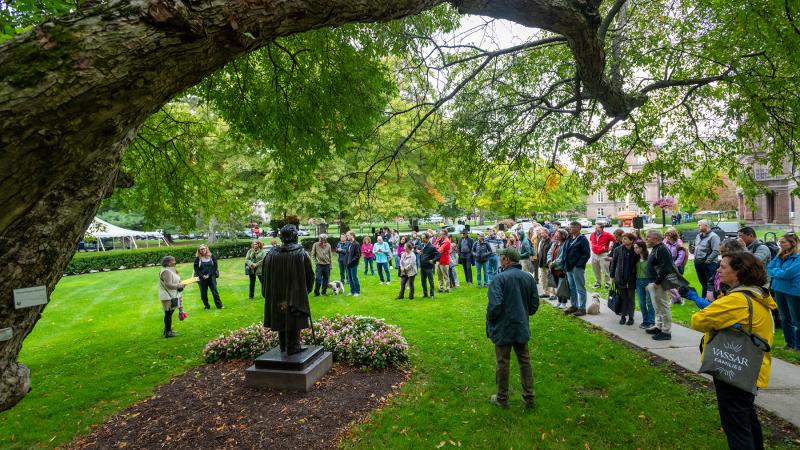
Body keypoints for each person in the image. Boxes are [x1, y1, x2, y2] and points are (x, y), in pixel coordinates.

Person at [688, 252, 776, 450]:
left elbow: (698, 320)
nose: (718, 269)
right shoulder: (756, 293)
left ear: (739, 272)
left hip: (735, 369)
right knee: (746, 418)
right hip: (752, 367)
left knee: (736, 425)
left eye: (723, 267)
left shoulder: (737, 300)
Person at [486, 247, 540, 409]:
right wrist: (523, 313)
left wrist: (492, 321)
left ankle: (502, 399)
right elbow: (534, 304)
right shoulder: (528, 278)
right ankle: (529, 397)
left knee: (503, 362)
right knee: (525, 361)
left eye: (501, 257)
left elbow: (494, 306)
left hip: (503, 327)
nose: (500, 260)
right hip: (520, 325)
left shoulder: (499, 279)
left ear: (507, 260)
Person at [261, 225, 314, 355]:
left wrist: (267, 291)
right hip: (295, 293)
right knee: (293, 315)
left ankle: (283, 345)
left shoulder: (271, 254)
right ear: (295, 236)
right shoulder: (301, 253)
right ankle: (293, 346)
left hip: (276, 293)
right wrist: (305, 290)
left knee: (281, 314)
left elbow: (264, 275)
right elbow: (309, 276)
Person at [767, 233, 800, 351]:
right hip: (779, 289)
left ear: (792, 243)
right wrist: (780, 272)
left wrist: (778, 273)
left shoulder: (798, 257)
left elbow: (788, 274)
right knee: (785, 318)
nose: (780, 244)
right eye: (780, 242)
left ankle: (798, 346)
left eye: (783, 242)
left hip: (793, 291)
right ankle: (790, 344)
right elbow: (769, 268)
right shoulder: (780, 255)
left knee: (796, 319)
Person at [644, 230, 673, 340]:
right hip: (653, 282)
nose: (646, 239)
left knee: (663, 306)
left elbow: (666, 268)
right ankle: (659, 326)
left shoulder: (662, 249)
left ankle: (666, 331)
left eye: (648, 237)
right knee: (657, 306)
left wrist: (657, 282)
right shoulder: (656, 249)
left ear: (656, 238)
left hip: (658, 283)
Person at [562, 222, 590, 316]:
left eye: (572, 227)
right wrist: (564, 265)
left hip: (577, 268)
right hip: (569, 267)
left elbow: (586, 254)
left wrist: (578, 265)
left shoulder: (582, 239)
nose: (569, 228)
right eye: (569, 227)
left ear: (578, 228)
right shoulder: (569, 239)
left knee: (580, 288)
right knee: (572, 287)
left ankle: (582, 308)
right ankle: (574, 306)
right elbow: (565, 253)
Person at [609, 233, 637, 325]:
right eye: (623, 239)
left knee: (631, 298)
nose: (623, 240)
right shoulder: (618, 249)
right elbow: (614, 263)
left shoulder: (635, 249)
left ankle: (631, 317)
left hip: (631, 278)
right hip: (621, 278)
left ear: (631, 240)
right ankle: (623, 316)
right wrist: (612, 275)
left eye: (625, 239)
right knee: (623, 297)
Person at [158, 256, 184, 338]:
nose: (175, 262)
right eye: (174, 261)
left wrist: (181, 284)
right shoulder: (166, 272)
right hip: (167, 296)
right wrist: (179, 285)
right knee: (168, 314)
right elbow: (168, 285)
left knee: (170, 313)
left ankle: (167, 330)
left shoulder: (170, 270)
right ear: (168, 262)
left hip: (171, 295)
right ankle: (168, 332)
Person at [694, 220, 721, 298]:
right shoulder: (698, 236)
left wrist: (707, 261)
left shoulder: (714, 236)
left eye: (699, 225)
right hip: (698, 263)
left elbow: (716, 251)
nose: (698, 226)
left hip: (709, 264)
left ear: (706, 226)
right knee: (703, 283)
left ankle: (711, 300)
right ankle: (704, 300)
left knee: (710, 284)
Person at [633, 241, 655, 329]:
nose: (635, 249)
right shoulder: (635, 258)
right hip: (638, 282)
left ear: (642, 248)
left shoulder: (649, 258)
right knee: (642, 303)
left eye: (636, 247)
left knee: (649, 303)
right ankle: (645, 320)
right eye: (634, 248)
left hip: (648, 281)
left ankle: (651, 321)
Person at [193, 244, 223, 310]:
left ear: (206, 249)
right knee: (203, 293)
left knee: (215, 291)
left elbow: (215, 267)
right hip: (201, 278)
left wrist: (209, 275)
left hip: (211, 276)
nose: (203, 250)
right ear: (199, 251)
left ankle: (219, 305)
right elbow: (196, 269)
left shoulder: (211, 256)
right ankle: (206, 306)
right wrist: (202, 275)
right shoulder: (197, 259)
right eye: (201, 249)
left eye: (204, 248)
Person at [664, 229, 687, 304]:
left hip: (677, 266)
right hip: (668, 265)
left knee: (677, 284)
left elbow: (681, 257)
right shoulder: (666, 243)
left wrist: (673, 266)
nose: (666, 237)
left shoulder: (679, 244)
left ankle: (681, 298)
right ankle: (674, 298)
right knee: (670, 283)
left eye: (668, 236)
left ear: (672, 236)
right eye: (666, 236)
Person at [589, 223, 615, 289]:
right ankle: (598, 283)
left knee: (605, 269)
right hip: (594, 254)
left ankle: (607, 283)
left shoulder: (607, 234)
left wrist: (610, 248)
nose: (595, 229)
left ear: (601, 228)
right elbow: (591, 241)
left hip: (603, 254)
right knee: (596, 269)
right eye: (595, 227)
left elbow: (615, 240)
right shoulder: (592, 234)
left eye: (597, 227)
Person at [548, 229, 569, 308]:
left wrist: (553, 263)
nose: (556, 235)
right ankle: (559, 301)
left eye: (558, 234)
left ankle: (564, 302)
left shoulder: (565, 244)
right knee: (557, 285)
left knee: (562, 286)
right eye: (556, 234)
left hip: (560, 268)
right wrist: (549, 261)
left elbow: (562, 257)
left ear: (563, 235)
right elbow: (549, 252)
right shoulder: (555, 243)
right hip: (553, 268)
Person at [420, 233, 440, 299]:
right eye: (422, 238)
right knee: (423, 281)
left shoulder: (432, 247)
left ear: (427, 238)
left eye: (423, 238)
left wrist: (433, 260)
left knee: (430, 281)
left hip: (428, 267)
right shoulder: (422, 245)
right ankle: (425, 294)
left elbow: (438, 255)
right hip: (422, 266)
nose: (422, 239)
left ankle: (432, 295)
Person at [536, 227, 552, 298]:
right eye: (541, 233)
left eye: (543, 233)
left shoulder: (551, 241)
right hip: (542, 262)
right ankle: (546, 292)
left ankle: (552, 294)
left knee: (550, 278)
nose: (541, 234)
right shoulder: (542, 241)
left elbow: (551, 253)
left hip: (548, 263)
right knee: (543, 278)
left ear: (547, 233)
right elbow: (540, 251)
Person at [345, 231, 362, 296]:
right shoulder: (349, 244)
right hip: (348, 264)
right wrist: (346, 262)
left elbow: (358, 255)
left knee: (354, 277)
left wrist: (351, 262)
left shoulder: (356, 244)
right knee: (349, 278)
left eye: (348, 235)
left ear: (352, 235)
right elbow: (347, 254)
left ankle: (357, 291)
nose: (347, 237)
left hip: (353, 264)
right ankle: (352, 291)